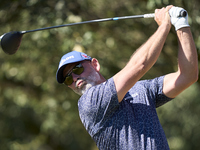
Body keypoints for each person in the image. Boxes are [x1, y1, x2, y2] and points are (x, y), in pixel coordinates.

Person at [56, 5, 198, 150]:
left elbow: (188, 76)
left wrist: (181, 24)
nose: (74, 78)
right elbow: (140, 65)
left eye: (77, 69)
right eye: (68, 79)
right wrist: (165, 25)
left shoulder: (141, 89)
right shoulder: (88, 104)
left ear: (95, 64)